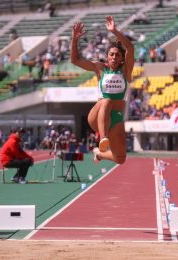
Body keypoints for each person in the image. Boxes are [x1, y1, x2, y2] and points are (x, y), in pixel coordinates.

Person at [71, 16, 134, 164]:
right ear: (106, 57)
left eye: (117, 54)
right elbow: (75, 60)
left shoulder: (126, 71)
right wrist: (74, 40)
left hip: (116, 119)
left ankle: (99, 153)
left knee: (120, 158)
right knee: (107, 100)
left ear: (122, 58)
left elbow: (130, 48)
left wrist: (114, 31)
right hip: (97, 116)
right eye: (111, 54)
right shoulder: (100, 69)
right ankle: (103, 138)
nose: (114, 57)